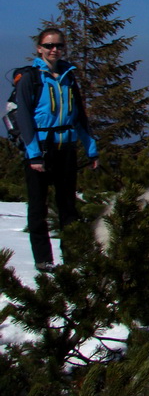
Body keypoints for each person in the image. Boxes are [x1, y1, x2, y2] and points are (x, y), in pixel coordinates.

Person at [15, 27, 99, 271]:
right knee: (38, 207)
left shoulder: (68, 76)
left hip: (66, 148)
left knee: (68, 206)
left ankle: (72, 258)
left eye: (59, 46)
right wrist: (34, 154)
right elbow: (24, 118)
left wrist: (91, 148)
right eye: (49, 45)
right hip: (40, 149)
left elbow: (79, 116)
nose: (54, 50)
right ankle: (43, 261)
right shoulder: (30, 77)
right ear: (39, 48)